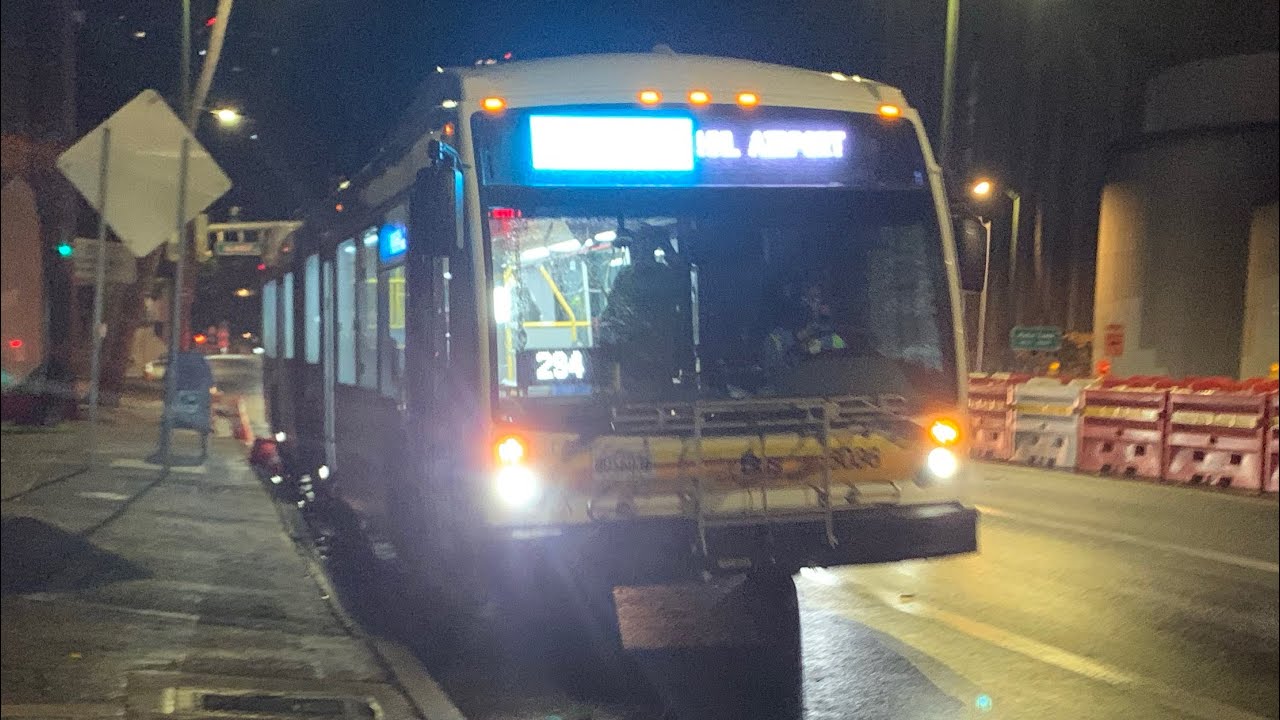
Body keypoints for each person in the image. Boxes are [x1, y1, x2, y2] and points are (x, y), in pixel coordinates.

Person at [596, 224, 693, 397]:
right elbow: (612, 315)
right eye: (637, 245)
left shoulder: (661, 276)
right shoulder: (627, 276)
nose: (638, 250)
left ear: (651, 248)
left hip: (656, 359)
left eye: (644, 245)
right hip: (636, 360)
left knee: (653, 403)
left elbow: (683, 275)